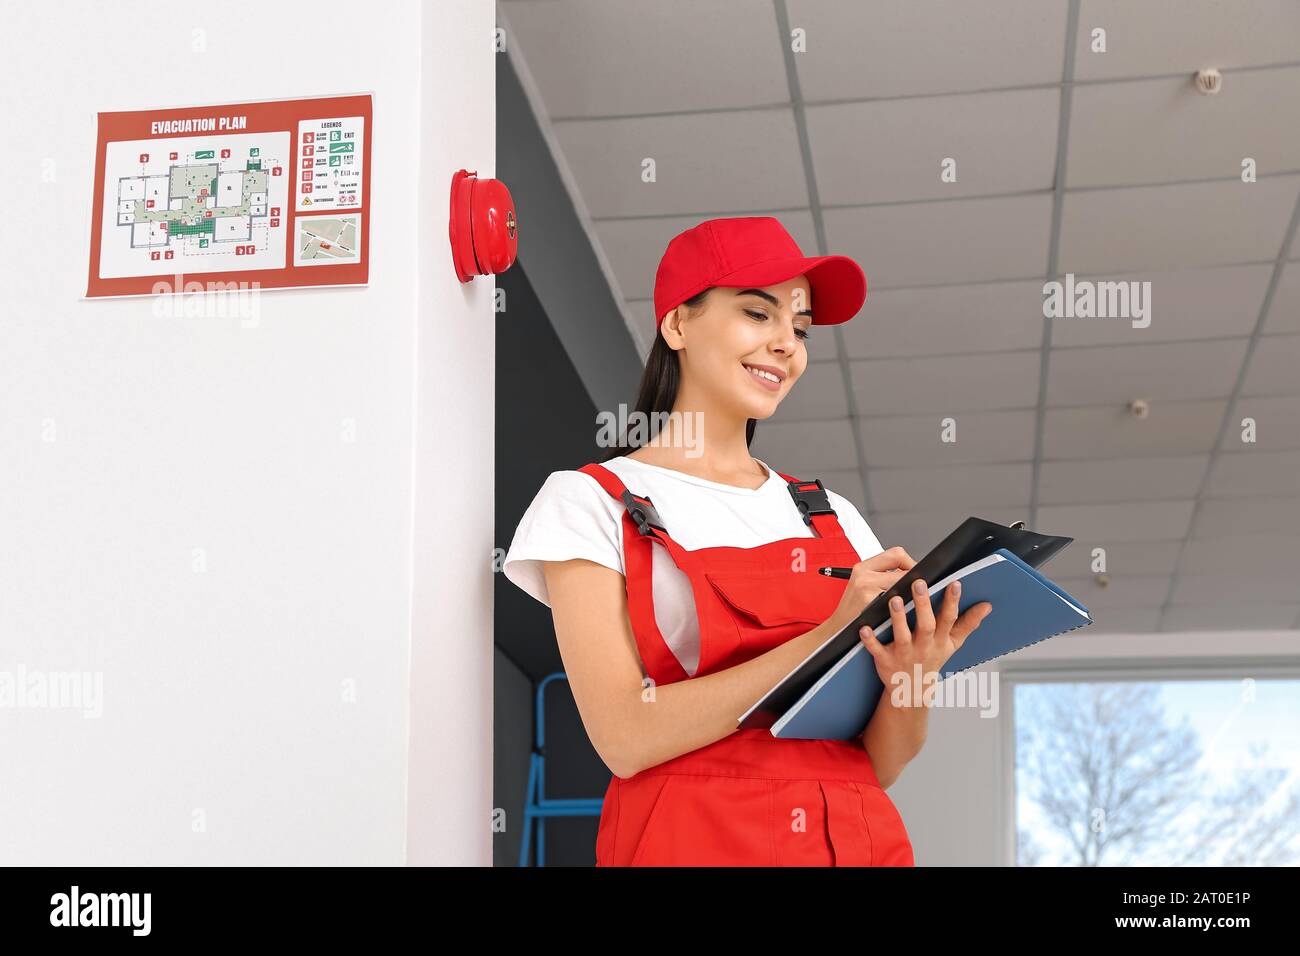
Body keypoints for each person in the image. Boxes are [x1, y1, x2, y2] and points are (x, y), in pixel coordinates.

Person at [503, 216, 992, 866]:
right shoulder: (590, 501)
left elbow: (879, 763)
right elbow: (624, 735)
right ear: (678, 325)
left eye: (800, 327)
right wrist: (825, 636)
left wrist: (913, 678)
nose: (787, 344)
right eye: (759, 314)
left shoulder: (832, 517)